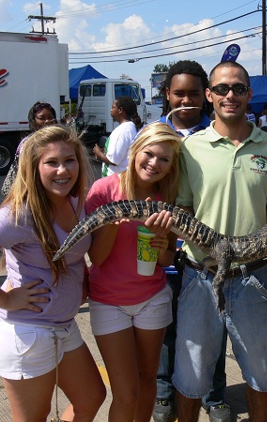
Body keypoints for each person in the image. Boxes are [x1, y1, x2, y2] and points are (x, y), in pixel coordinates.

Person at [173, 61, 267, 422]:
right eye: (221, 89)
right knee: (190, 378)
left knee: (262, 374)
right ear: (209, 95)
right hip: (199, 278)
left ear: (249, 94)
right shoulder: (190, 148)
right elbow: (183, 208)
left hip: (253, 278)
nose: (230, 95)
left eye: (238, 88)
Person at [0, 125, 106, 421]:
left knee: (92, 397)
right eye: (52, 162)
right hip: (28, 333)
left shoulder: (76, 201)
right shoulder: (18, 215)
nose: (63, 170)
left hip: (63, 325)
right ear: (34, 168)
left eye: (69, 160)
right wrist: (6, 300)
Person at [151, 60, 231, 422]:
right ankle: (164, 392)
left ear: (207, 96)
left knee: (213, 326)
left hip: (206, 253)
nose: (186, 100)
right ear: (167, 94)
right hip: (162, 248)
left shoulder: (219, 134)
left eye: (194, 94)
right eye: (179, 93)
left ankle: (215, 396)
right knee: (167, 327)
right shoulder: (152, 133)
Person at [86, 123, 181, 422]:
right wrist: (115, 223)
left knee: (147, 379)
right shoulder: (104, 189)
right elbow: (97, 258)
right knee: (125, 393)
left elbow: (165, 259)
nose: (154, 164)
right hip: (108, 301)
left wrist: (163, 241)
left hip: (152, 298)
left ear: (170, 167)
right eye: (149, 154)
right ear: (135, 150)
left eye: (164, 159)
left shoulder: (166, 197)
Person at [1, 101, 57, 196]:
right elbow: (27, 174)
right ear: (33, 121)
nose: (47, 121)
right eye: (42, 118)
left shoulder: (59, 141)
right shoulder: (28, 144)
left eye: (50, 117)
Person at [93, 96, 143, 177]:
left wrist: (98, 153)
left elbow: (113, 161)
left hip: (114, 181)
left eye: (113, 107)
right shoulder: (129, 127)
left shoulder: (123, 130)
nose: (111, 110)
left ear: (120, 110)